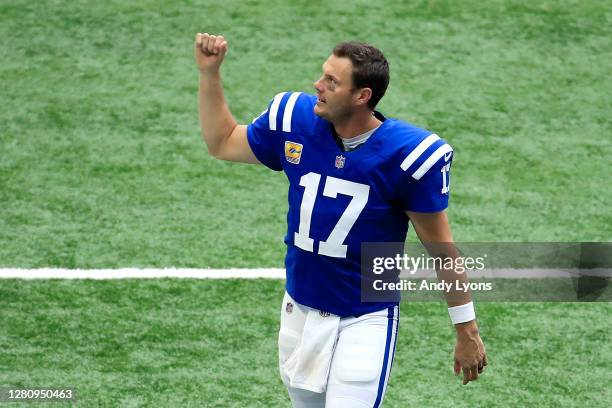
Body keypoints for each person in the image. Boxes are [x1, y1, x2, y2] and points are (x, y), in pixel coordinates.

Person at [195, 33, 487, 408]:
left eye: (332, 82)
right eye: (323, 75)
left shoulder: (407, 155)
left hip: (363, 317)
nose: (318, 86)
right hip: (299, 309)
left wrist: (467, 330)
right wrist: (210, 74)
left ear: (362, 96)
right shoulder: (295, 120)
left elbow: (442, 252)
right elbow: (222, 142)